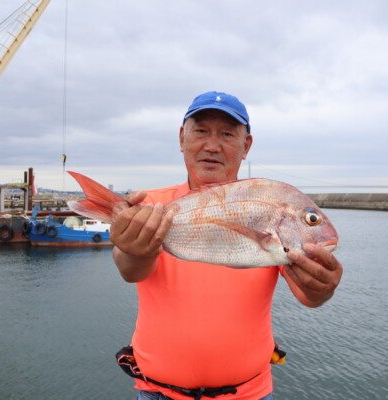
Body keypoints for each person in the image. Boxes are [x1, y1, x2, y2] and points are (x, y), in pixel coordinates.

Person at [109, 91, 343, 400]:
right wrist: (130, 247)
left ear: (246, 145)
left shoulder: (269, 206)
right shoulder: (152, 206)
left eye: (227, 134)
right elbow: (130, 270)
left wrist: (322, 287)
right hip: (158, 394)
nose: (212, 145)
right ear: (182, 138)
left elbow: (310, 297)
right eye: (201, 131)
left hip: (249, 394)